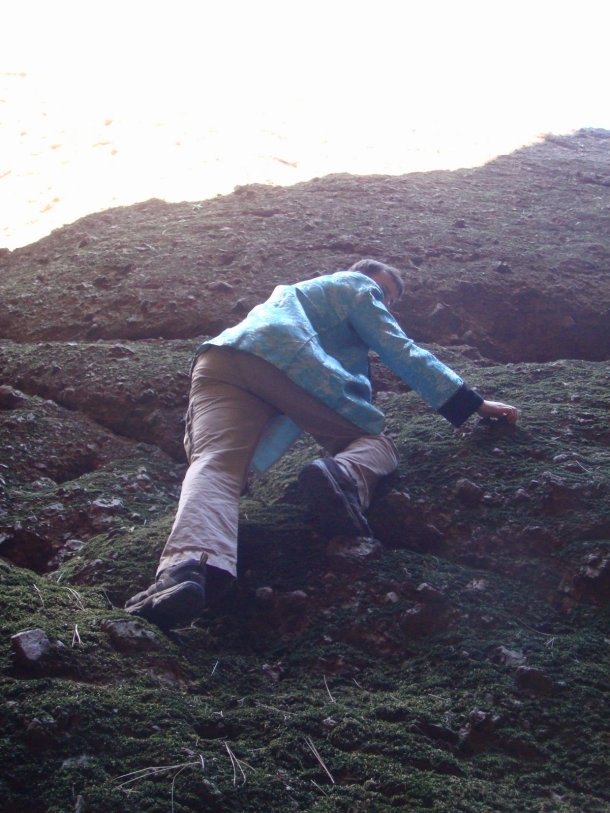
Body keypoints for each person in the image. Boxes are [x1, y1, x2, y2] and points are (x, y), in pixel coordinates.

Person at [126, 259, 518, 628]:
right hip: (285, 358)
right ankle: (344, 476)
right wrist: (471, 403)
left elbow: (280, 406)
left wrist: (253, 466)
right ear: (365, 278)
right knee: (372, 440)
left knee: (215, 466)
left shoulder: (291, 298)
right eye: (386, 296)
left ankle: (185, 571)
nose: (385, 304)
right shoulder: (356, 285)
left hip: (219, 360)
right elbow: (399, 349)